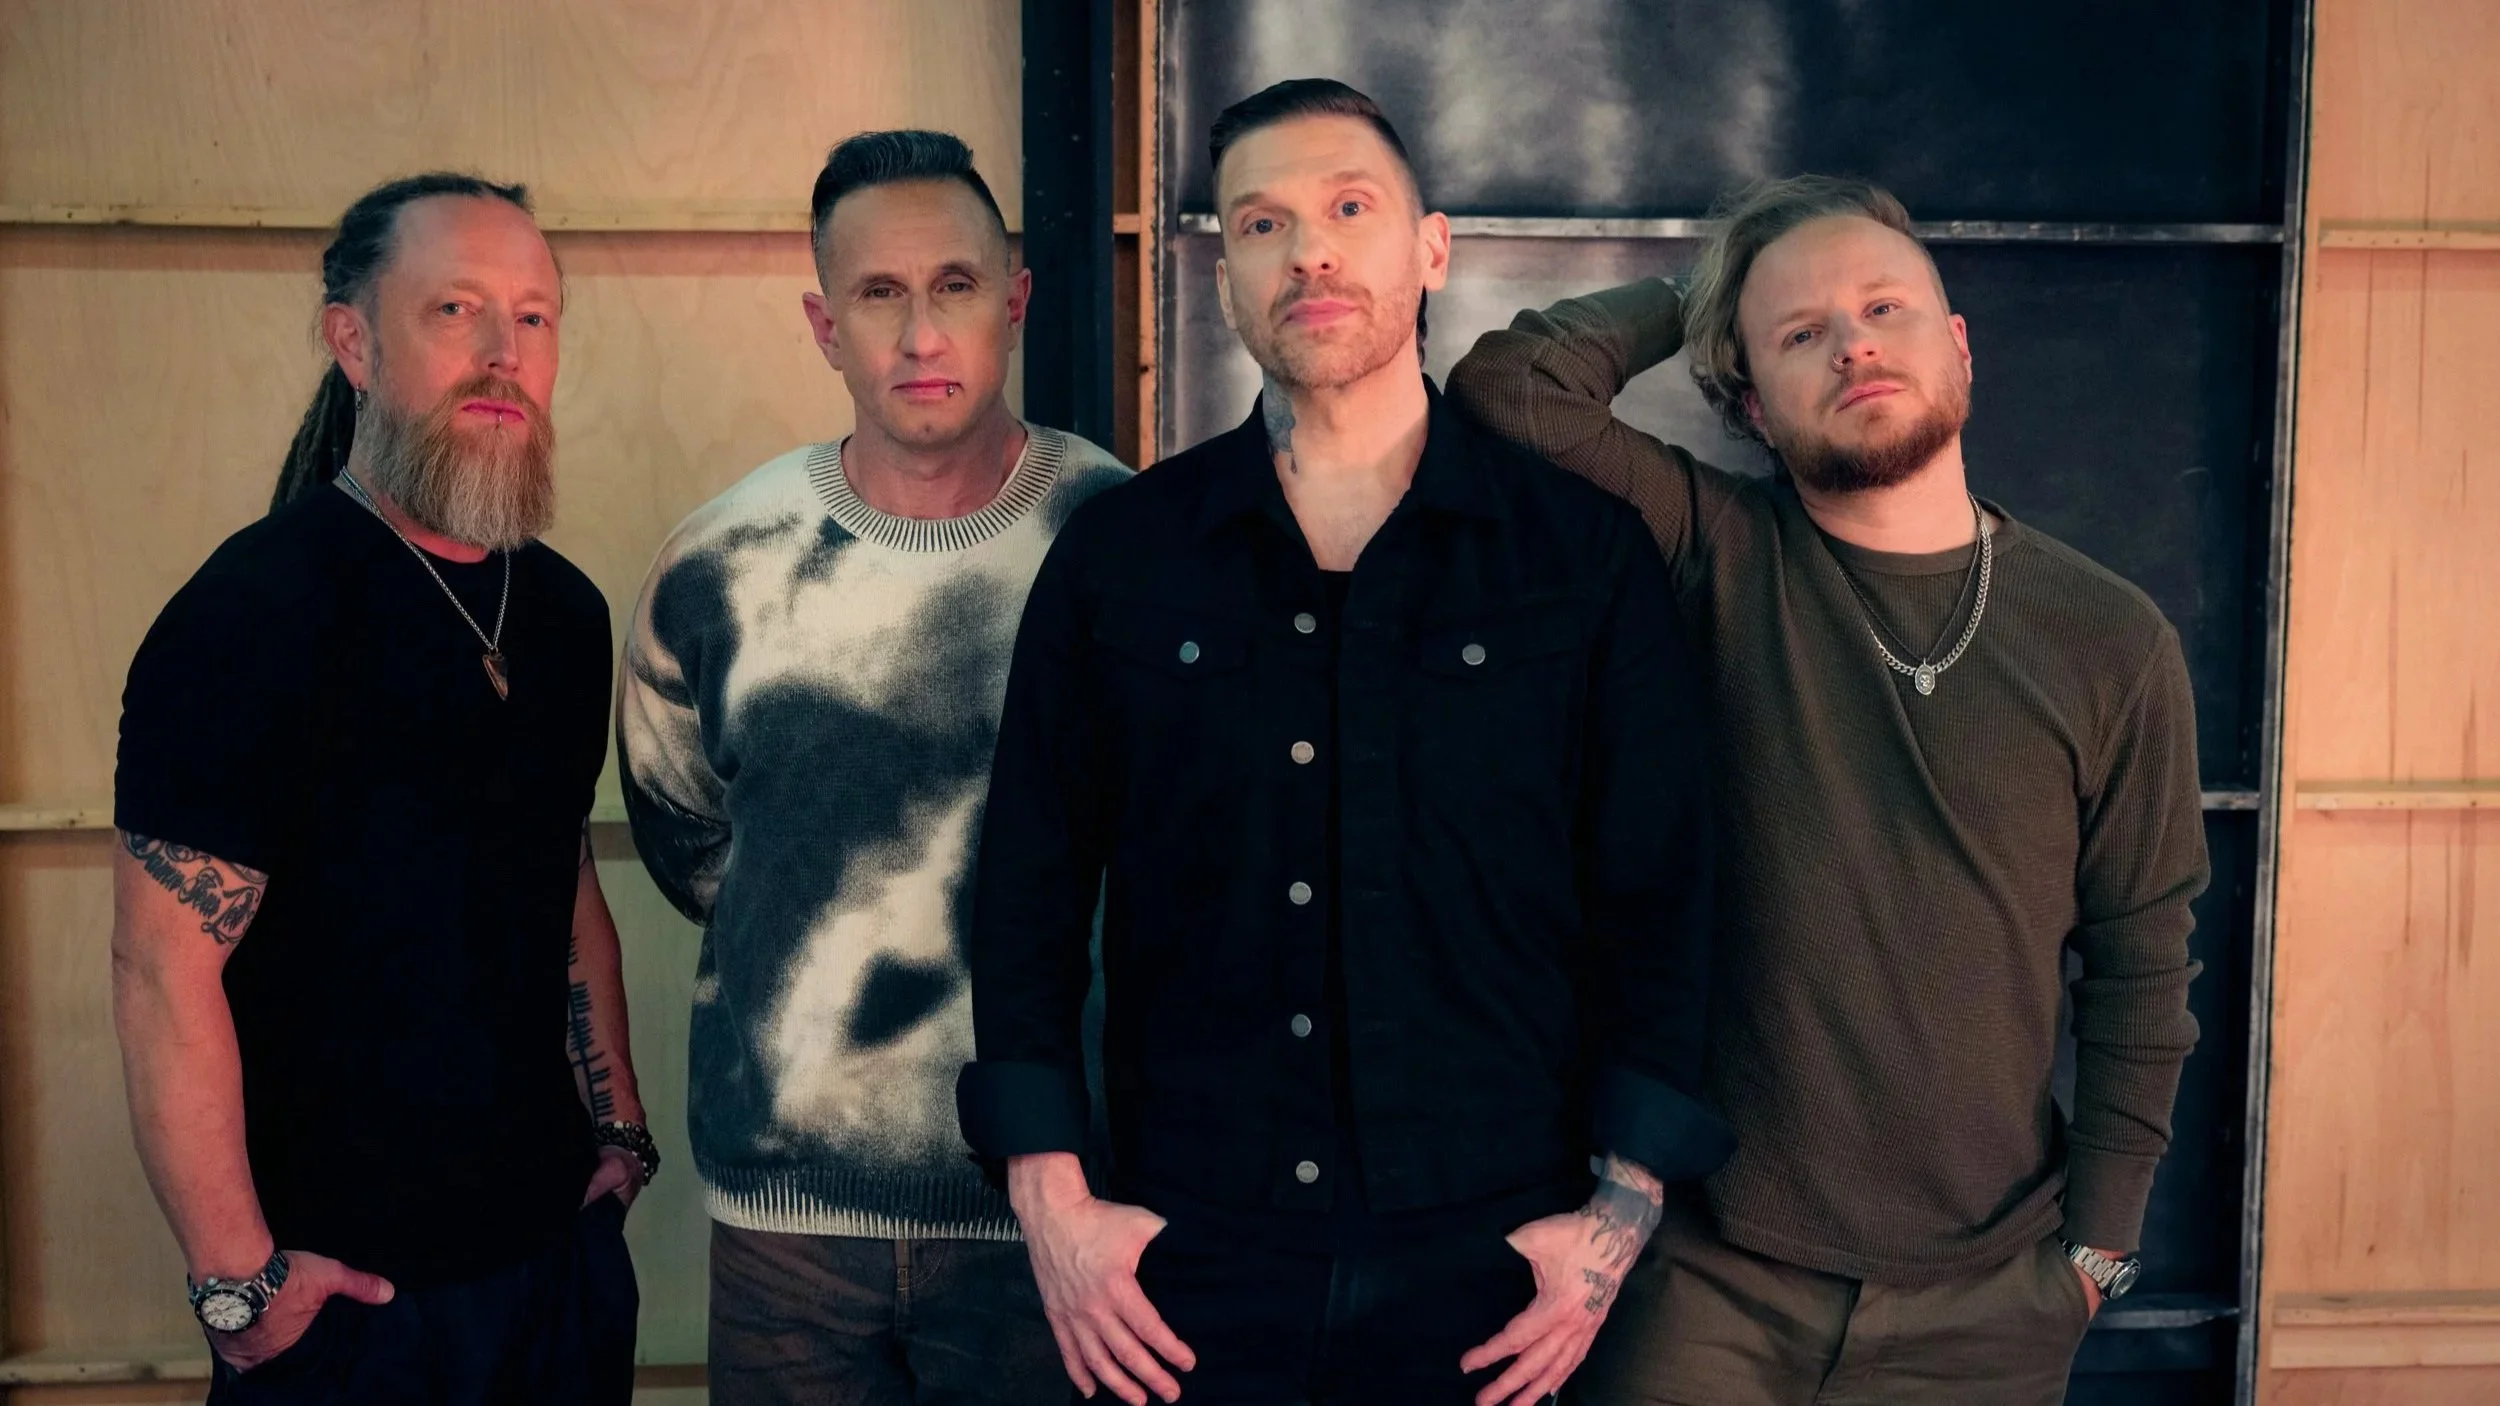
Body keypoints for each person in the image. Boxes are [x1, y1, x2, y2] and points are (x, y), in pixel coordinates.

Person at [956, 80, 1728, 1406]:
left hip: (1496, 1265)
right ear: (1225, 283)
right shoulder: (1122, 556)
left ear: (1431, 249)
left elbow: (1664, 897)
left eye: (1349, 208)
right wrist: (1050, 1197)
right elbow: (1028, 884)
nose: (1308, 251)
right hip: (1179, 1263)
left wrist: (1617, 1217)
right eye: (1262, 224)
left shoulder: (1579, 559)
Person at [1445, 175, 2209, 1405]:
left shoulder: (2108, 637)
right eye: (1800, 333)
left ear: (1958, 347)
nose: (1852, 342)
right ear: (1748, 401)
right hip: (1703, 1282)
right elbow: (1512, 390)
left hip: (1991, 1300)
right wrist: (1717, 284)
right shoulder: (1711, 546)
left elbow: (2141, 961)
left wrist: (2096, 1255)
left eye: (1884, 307)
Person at [112, 173, 649, 1406]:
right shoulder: (254, 613)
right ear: (353, 342)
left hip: (555, 1268)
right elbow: (158, 968)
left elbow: (559, 872)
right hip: (351, 1309)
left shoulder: (564, 613)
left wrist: (616, 1123)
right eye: (455, 309)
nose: (504, 351)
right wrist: (238, 1283)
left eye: (534, 316)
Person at [615, 130, 1129, 1406]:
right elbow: (689, 838)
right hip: (787, 1220)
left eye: (954, 285)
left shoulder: (1123, 543)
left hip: (1057, 1204)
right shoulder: (722, 563)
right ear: (823, 324)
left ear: (1014, 298)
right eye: (878, 293)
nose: (920, 334)